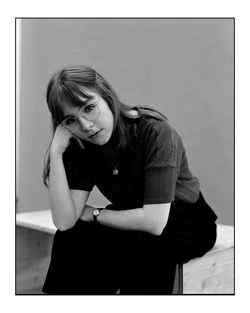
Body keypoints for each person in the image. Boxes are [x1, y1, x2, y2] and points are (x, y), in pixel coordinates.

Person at [42, 65, 217, 295]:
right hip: (131, 216)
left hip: (184, 220)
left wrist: (96, 214)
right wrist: (56, 153)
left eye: (89, 108)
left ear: (107, 95)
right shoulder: (83, 146)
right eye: (71, 120)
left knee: (144, 245)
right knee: (72, 236)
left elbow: (154, 223)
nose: (86, 125)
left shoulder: (154, 132)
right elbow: (65, 222)